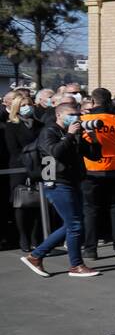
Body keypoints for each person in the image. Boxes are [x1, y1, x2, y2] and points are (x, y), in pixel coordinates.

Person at [19, 99, 102, 279]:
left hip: (73, 181)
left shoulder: (75, 133)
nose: (76, 118)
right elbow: (55, 152)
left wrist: (92, 137)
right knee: (75, 225)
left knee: (72, 224)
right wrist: (70, 136)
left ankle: (35, 256)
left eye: (78, 115)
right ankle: (76, 265)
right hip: (57, 182)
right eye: (71, 115)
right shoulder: (49, 131)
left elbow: (95, 156)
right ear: (59, 115)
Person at [79, 88, 115, 259]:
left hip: (92, 169)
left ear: (93, 102)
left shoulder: (84, 120)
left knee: (91, 210)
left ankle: (91, 249)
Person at [5, 94, 43, 253]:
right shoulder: (11, 126)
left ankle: (36, 238)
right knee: (21, 203)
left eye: (29, 104)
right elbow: (13, 149)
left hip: (38, 168)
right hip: (20, 168)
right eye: (23, 105)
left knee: (37, 203)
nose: (27, 107)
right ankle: (23, 237)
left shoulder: (39, 125)